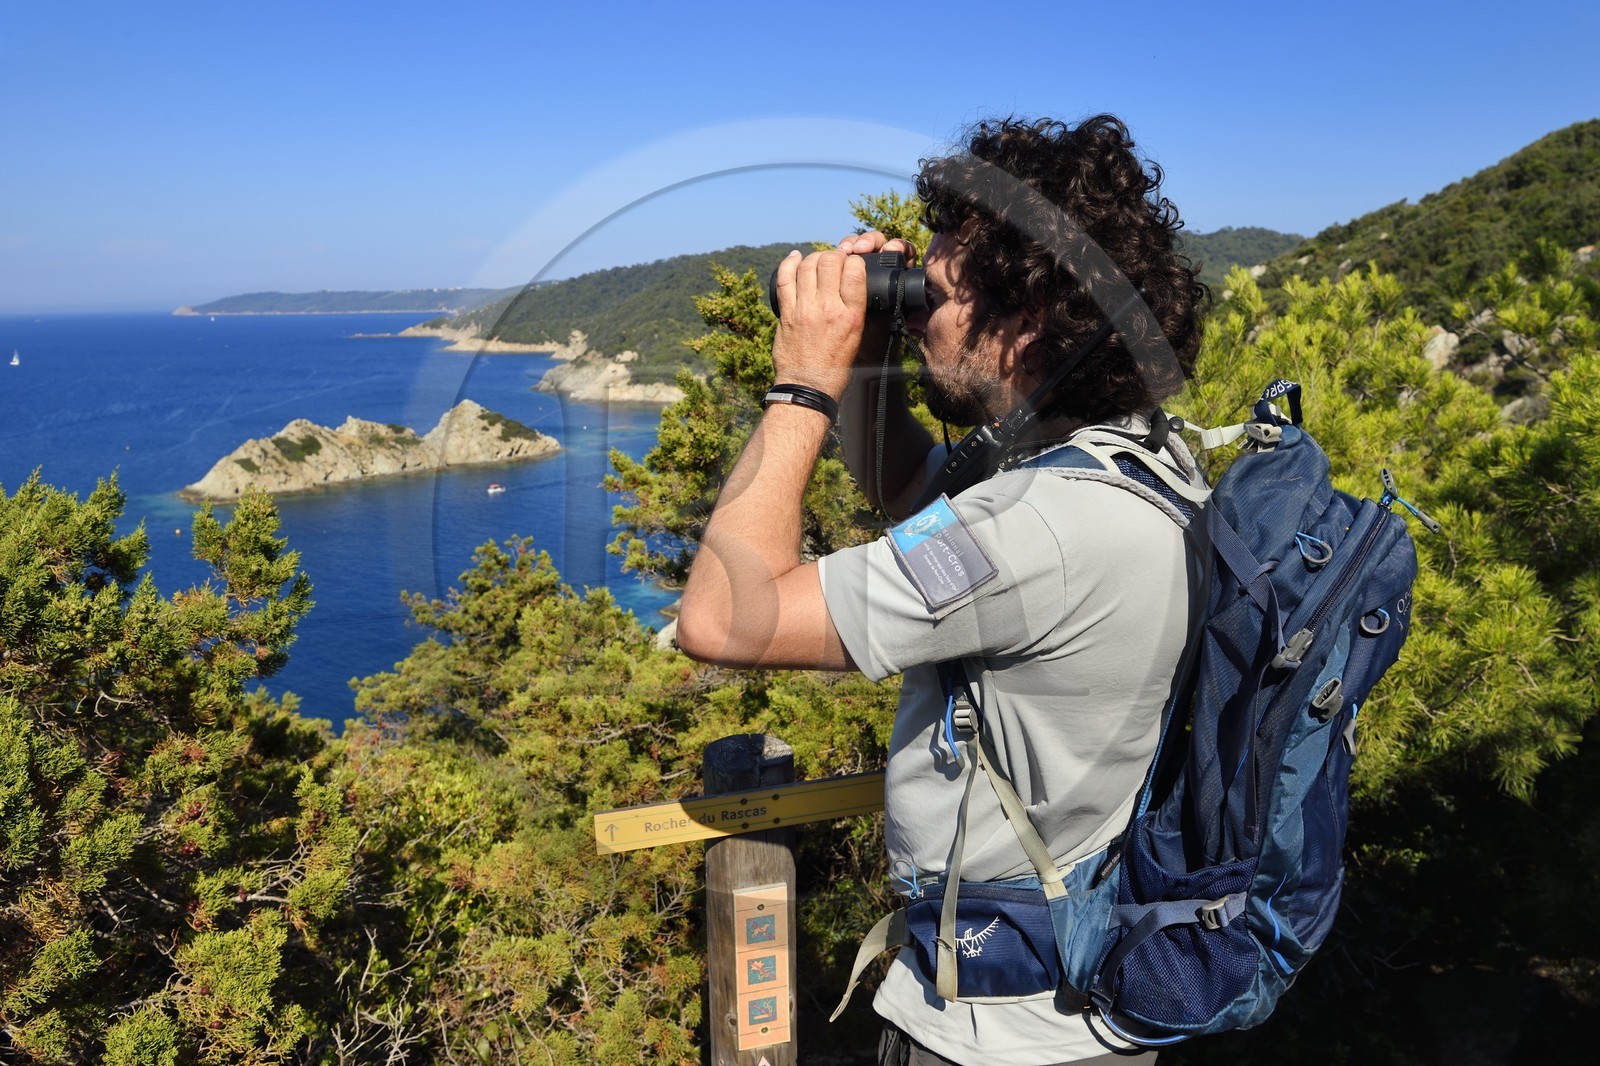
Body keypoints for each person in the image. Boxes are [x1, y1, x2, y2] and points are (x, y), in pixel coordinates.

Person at [676, 115, 1207, 1066]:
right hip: (1087, 1001)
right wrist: (875, 352)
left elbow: (723, 617)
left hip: (999, 1036)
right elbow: (914, 495)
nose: (916, 310)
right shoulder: (1125, 460)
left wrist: (802, 383)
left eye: (934, 295)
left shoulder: (1037, 527)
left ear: (1024, 324)